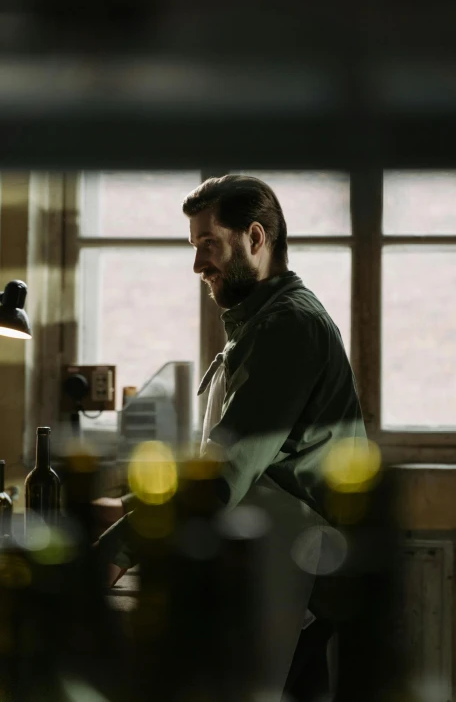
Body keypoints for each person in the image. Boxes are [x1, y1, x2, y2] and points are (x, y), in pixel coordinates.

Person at [94, 174, 366, 699]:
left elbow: (221, 476)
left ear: (256, 238)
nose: (198, 266)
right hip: (276, 573)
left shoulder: (289, 327)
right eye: (194, 248)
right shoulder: (259, 324)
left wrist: (115, 550)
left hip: (291, 578)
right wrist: (124, 505)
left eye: (208, 245)